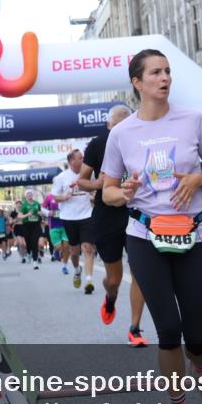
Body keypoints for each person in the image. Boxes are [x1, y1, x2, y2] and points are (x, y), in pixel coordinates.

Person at [101, 49, 202, 404]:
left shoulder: (193, 120)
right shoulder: (121, 134)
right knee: (168, 328)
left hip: (194, 234)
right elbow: (106, 192)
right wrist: (125, 191)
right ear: (137, 83)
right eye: (155, 72)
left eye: (167, 71)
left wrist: (199, 179)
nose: (164, 78)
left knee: (198, 335)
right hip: (145, 236)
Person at [79, 104, 149, 346]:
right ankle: (110, 295)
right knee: (114, 278)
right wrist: (98, 185)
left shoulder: (140, 140)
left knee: (140, 270)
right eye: (117, 123)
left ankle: (135, 328)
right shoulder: (98, 144)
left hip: (135, 212)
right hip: (107, 215)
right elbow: (81, 181)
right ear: (109, 124)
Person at [53, 150, 97, 293]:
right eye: (80, 158)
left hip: (86, 215)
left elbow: (94, 189)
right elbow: (55, 197)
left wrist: (92, 196)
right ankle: (77, 270)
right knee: (74, 251)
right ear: (72, 160)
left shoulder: (88, 174)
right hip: (69, 217)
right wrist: (65, 197)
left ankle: (89, 281)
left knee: (88, 248)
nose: (83, 160)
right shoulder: (61, 177)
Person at [42, 193, 71, 274]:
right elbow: (41, 208)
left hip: (65, 225)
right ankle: (56, 251)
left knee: (66, 247)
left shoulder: (66, 193)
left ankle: (64, 266)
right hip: (53, 226)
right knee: (59, 247)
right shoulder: (49, 196)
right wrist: (48, 212)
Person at [19, 189, 43, 270]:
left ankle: (35, 263)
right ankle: (28, 252)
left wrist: (40, 213)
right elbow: (20, 216)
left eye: (31, 194)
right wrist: (28, 214)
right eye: (28, 194)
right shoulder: (24, 205)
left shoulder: (37, 204)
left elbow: (41, 213)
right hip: (26, 226)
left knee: (34, 243)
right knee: (28, 243)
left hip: (36, 225)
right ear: (26, 196)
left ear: (32, 195)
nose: (29, 195)